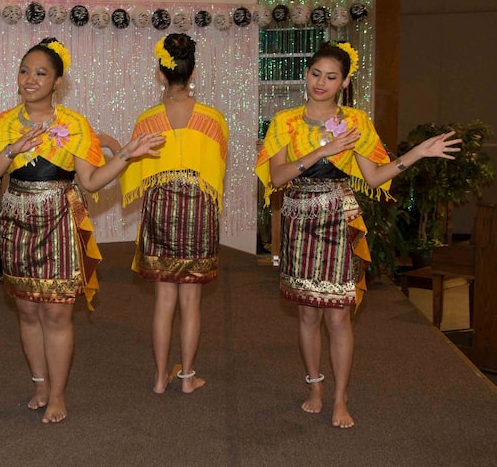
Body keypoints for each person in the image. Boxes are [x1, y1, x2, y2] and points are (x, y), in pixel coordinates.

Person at [254, 41, 460, 428]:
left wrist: (417, 152)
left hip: (337, 217)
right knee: (308, 313)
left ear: (344, 82)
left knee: (338, 317)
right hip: (298, 217)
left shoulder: (357, 121)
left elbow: (376, 176)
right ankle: (315, 387)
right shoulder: (285, 121)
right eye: (316, 73)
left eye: (331, 77)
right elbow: (277, 177)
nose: (321, 83)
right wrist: (323, 150)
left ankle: (340, 397)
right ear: (307, 74)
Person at [0, 37, 163, 424]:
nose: (30, 79)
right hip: (17, 222)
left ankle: (57, 394)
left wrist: (126, 154)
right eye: (25, 70)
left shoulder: (74, 124)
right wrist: (10, 150)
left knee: (57, 315)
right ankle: (40, 384)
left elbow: (90, 182)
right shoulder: (3, 123)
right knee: (27, 312)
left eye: (40, 73)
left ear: (57, 82)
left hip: (59, 222)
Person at [118, 33, 228, 394]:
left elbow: (133, 169)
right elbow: (217, 171)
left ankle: (159, 378)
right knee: (191, 301)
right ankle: (187, 377)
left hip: (160, 209)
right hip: (198, 209)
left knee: (164, 301)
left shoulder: (147, 120)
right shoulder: (213, 120)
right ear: (192, 70)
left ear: (161, 73)